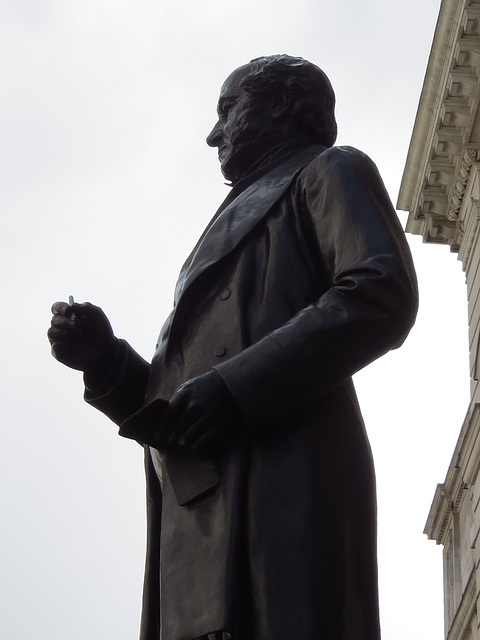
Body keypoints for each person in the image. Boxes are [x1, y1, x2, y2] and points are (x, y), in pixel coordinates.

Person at [48, 55, 418, 640]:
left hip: (279, 490)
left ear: (281, 103)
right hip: (199, 528)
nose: (214, 133)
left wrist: (232, 389)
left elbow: (380, 293)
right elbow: (183, 405)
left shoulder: (328, 170)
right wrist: (108, 364)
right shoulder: (232, 220)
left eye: (228, 109)